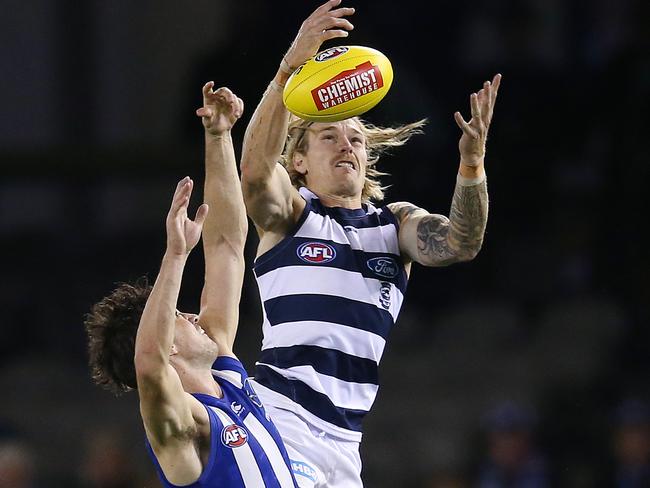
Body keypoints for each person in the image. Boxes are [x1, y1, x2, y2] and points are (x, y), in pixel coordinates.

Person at [239, 0, 500, 486]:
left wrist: (472, 164)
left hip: (346, 441)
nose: (347, 145)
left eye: (356, 138)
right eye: (328, 137)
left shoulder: (394, 225)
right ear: (297, 162)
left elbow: (461, 243)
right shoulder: (292, 217)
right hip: (281, 420)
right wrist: (288, 71)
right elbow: (253, 172)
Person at [84, 84, 297, 488]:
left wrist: (218, 138)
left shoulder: (226, 374)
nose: (194, 315)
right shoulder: (180, 426)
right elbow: (149, 365)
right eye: (180, 316)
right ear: (168, 346)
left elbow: (226, 249)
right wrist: (175, 256)